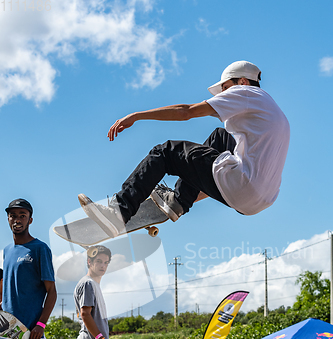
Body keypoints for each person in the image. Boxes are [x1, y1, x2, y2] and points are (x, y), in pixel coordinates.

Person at [78, 60, 290, 238]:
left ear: (242, 82)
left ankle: (118, 212)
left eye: (225, 88)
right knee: (221, 136)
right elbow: (213, 180)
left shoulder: (245, 93)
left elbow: (186, 112)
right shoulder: (270, 111)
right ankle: (178, 201)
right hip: (258, 200)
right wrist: (190, 191)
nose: (223, 95)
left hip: (241, 186)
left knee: (166, 152)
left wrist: (136, 116)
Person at [2, 199, 57, 339]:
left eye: (22, 216)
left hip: (30, 331)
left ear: (30, 220)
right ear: (8, 218)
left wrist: (41, 325)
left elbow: (52, 291)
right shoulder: (7, 251)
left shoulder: (40, 249)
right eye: (13, 215)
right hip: (7, 329)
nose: (17, 220)